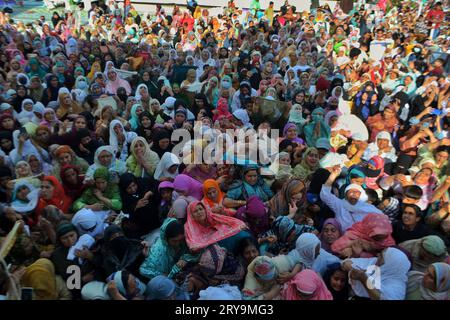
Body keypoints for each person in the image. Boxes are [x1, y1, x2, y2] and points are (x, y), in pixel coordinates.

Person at [342, 247, 411, 300]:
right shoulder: (375, 262)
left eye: (381, 256)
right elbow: (346, 263)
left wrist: (364, 279)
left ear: (389, 263)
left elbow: (380, 298)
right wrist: (350, 266)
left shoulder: (398, 287)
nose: (378, 256)